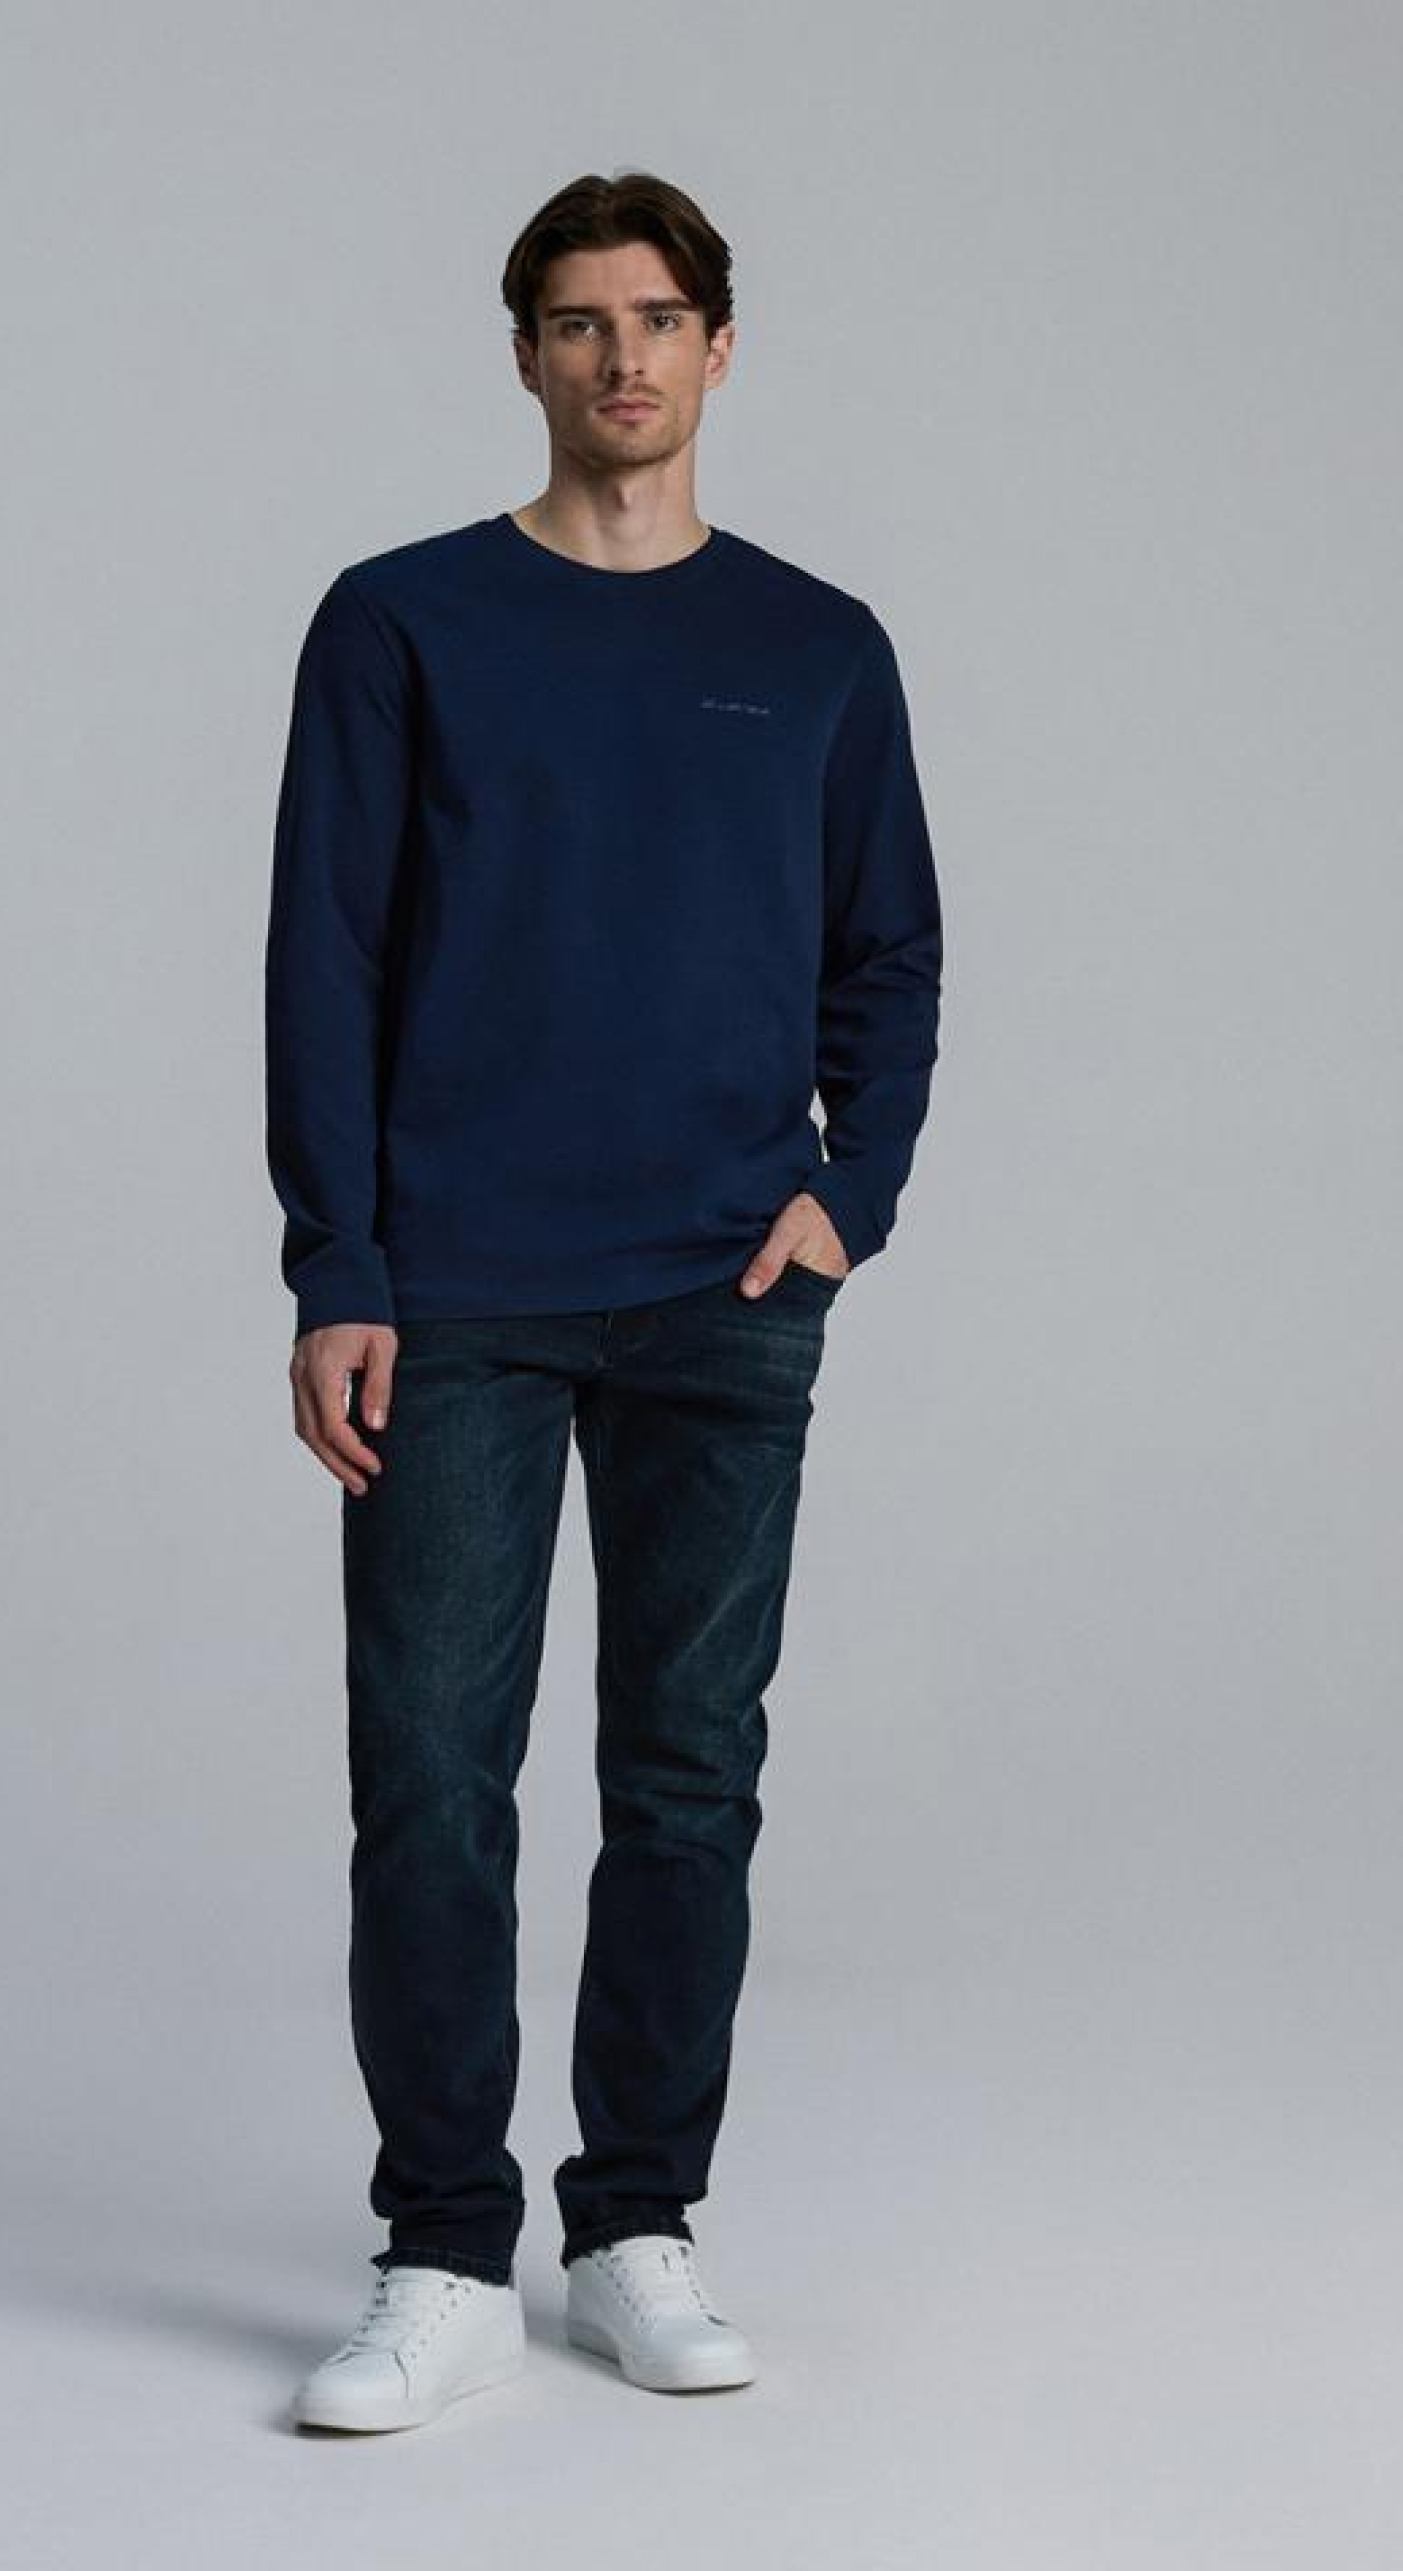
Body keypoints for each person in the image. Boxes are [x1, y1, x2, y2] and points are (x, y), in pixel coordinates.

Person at [264, 168, 944, 2433]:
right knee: (427, 1781)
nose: (620, 358)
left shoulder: (819, 644)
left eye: (657, 319)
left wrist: (848, 1195)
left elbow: (889, 951)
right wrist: (338, 1265)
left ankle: (635, 2223)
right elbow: (323, 959)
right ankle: (442, 2249)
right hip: (454, 1287)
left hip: (720, 1291)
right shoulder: (402, 621)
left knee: (683, 1778)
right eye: (577, 322)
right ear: (525, 355)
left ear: (718, 349)